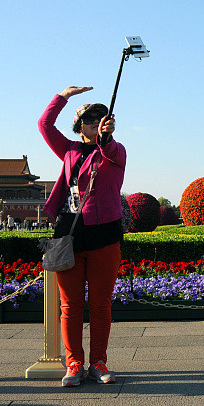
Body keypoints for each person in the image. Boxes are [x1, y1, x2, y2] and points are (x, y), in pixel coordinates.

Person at [39, 86, 126, 387]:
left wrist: (107, 138)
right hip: (69, 234)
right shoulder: (70, 150)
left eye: (100, 118)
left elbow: (111, 150)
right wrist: (63, 97)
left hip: (105, 235)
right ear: (79, 126)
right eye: (89, 118)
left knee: (101, 305)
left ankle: (98, 362)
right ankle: (73, 363)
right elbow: (44, 125)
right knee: (70, 305)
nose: (95, 121)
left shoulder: (114, 151)